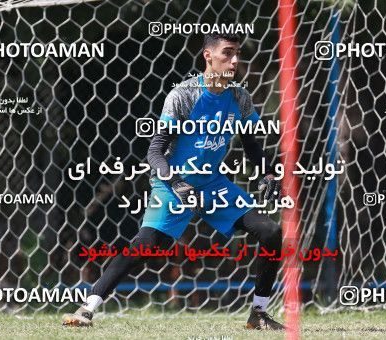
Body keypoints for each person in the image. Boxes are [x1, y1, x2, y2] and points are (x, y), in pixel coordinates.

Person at [63, 32, 284, 330]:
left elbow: (252, 145)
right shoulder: (183, 95)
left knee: (270, 232)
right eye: (227, 53)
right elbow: (154, 153)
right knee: (145, 245)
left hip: (212, 185)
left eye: (237, 54)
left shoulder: (239, 97)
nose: (234, 60)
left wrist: (268, 171)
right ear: (208, 55)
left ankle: (258, 314)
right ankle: (87, 308)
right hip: (172, 184)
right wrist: (175, 182)